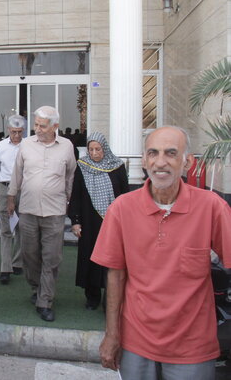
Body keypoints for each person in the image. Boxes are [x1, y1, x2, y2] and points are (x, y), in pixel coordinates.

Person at [91, 126, 230, 380]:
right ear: (144, 160)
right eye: (153, 153)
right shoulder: (121, 209)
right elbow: (115, 275)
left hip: (193, 347)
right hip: (136, 343)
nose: (160, 162)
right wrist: (112, 335)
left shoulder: (212, 207)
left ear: (187, 162)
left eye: (171, 153)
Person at [7, 106, 76, 322]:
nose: (37, 129)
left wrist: (68, 202)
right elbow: (17, 173)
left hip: (55, 211)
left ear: (55, 126)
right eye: (35, 124)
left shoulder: (66, 146)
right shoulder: (26, 145)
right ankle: (37, 287)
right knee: (30, 255)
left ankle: (45, 300)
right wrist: (10, 196)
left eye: (42, 126)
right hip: (27, 209)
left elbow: (71, 176)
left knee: (52, 257)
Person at [68, 132, 129, 310]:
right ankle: (92, 296)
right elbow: (76, 195)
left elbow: (125, 195)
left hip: (112, 222)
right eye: (91, 149)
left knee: (111, 258)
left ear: (105, 149)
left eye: (98, 149)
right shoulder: (82, 166)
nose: (94, 153)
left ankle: (110, 297)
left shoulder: (117, 166)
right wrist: (76, 221)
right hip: (89, 221)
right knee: (90, 257)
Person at [0, 114, 26, 285]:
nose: (17, 135)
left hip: (24, 190)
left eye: (19, 132)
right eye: (14, 132)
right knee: (6, 229)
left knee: (22, 228)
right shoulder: (0, 147)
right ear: (8, 130)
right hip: (4, 189)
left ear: (23, 131)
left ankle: (18, 262)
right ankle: (5, 268)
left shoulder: (30, 146)